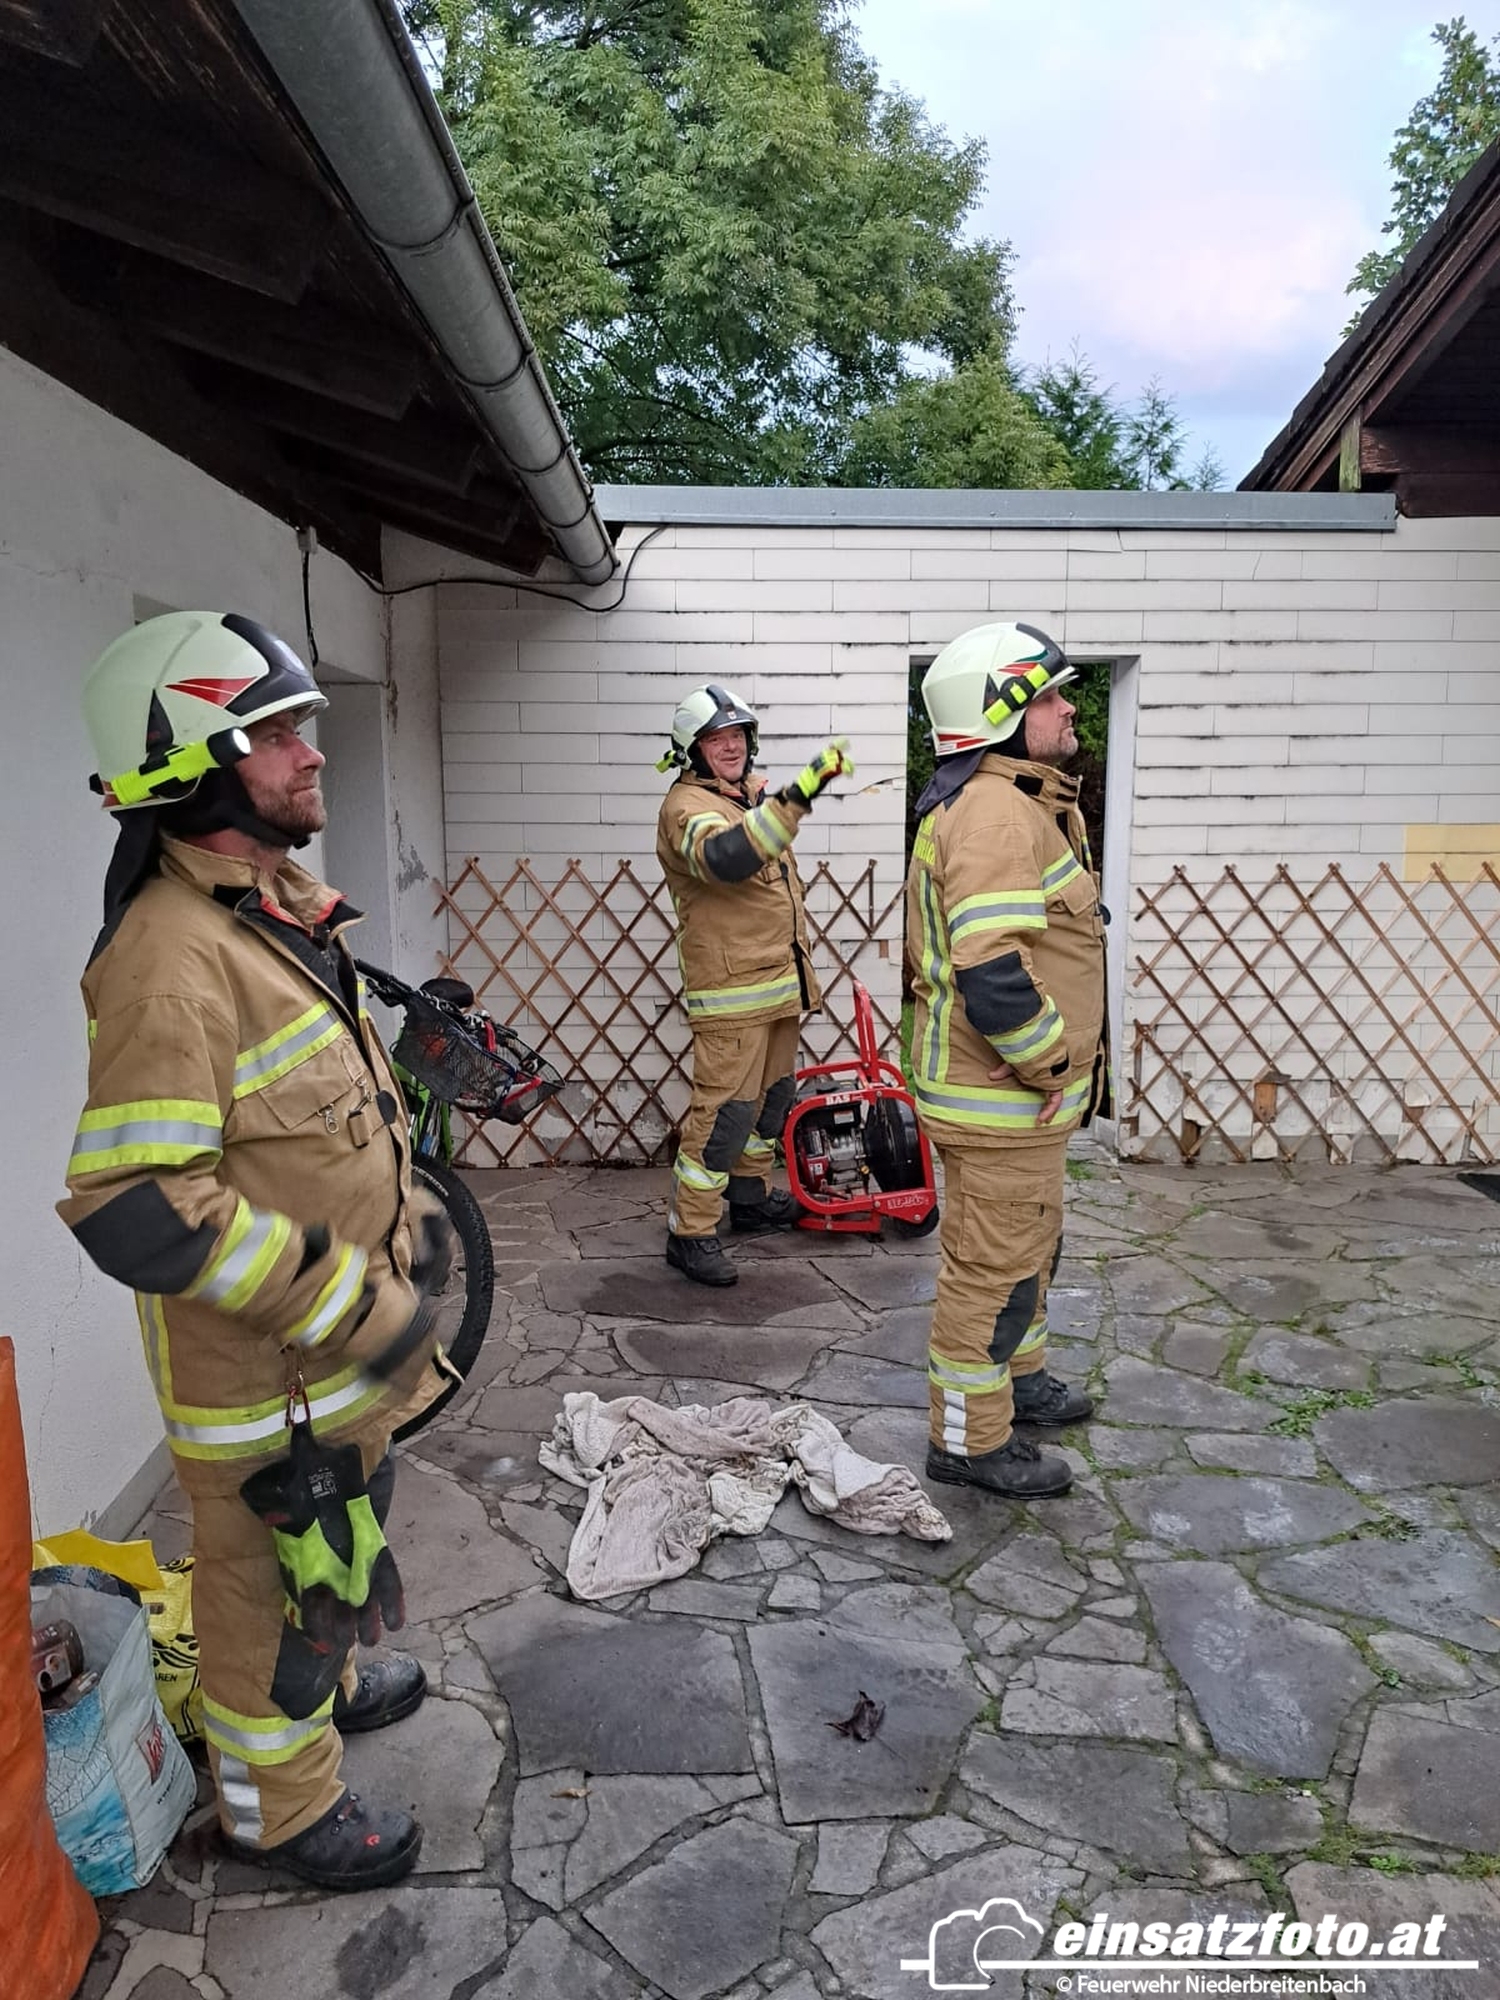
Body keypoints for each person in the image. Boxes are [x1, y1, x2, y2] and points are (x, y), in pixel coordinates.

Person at [58, 611, 454, 1892]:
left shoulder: (266, 910)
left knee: (330, 1562)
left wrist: (406, 1231)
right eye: (277, 731)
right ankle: (275, 1807)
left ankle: (320, 1688)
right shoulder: (169, 961)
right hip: (263, 1389)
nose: (311, 749)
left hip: (328, 1372)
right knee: (261, 1597)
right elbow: (136, 1204)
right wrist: (344, 1293)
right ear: (193, 768)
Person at [905, 621, 1108, 1499]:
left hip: (1020, 1103)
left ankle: (1020, 1386)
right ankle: (968, 1440)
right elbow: (993, 975)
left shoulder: (1018, 801)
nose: (1068, 709)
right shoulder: (994, 812)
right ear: (1002, 713)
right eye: (1051, 695)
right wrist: (1055, 1067)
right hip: (1005, 1098)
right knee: (990, 1273)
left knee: (1028, 1251)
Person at [655, 684, 853, 1286]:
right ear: (692, 750)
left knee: (771, 1101)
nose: (731, 746)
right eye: (716, 738)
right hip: (731, 997)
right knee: (724, 1116)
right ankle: (690, 1232)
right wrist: (797, 797)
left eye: (738, 735)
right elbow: (727, 859)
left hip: (776, 989)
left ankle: (749, 1196)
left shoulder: (742, 801)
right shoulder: (687, 808)